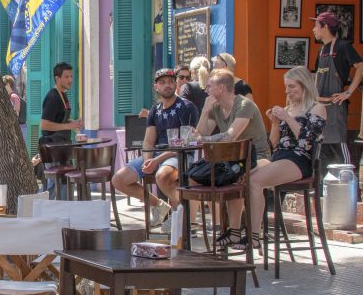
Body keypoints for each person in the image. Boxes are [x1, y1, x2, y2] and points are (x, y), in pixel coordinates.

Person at [239, 66, 327, 252]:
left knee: (255, 181)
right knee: (241, 176)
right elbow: (273, 144)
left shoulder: (317, 108)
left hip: (299, 160)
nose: (288, 91)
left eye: (292, 87)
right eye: (286, 87)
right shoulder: (289, 108)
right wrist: (276, 124)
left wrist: (287, 117)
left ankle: (253, 236)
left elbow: (307, 142)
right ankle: (236, 230)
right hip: (279, 157)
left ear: (304, 86)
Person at [191, 69, 272, 246]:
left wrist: (203, 139)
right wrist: (204, 111)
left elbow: (230, 136)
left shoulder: (244, 105)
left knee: (243, 178)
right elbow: (200, 134)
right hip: (235, 160)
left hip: (259, 157)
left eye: (209, 86)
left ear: (220, 88)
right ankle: (234, 232)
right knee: (227, 178)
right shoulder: (216, 109)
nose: (206, 90)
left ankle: (254, 236)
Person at [111, 68, 200, 228]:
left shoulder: (187, 107)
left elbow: (185, 143)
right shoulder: (155, 110)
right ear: (156, 87)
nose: (168, 85)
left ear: (176, 84)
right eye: (163, 82)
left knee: (162, 176)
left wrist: (156, 160)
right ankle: (159, 206)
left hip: (180, 155)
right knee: (118, 180)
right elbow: (148, 141)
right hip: (157, 155)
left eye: (171, 82)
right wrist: (147, 161)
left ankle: (179, 215)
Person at [311, 11, 363, 171]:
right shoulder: (321, 51)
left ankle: (351, 182)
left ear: (325, 27)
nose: (313, 29)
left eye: (316, 26)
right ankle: (318, 187)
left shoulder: (343, 47)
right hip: (319, 106)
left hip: (335, 107)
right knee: (320, 149)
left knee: (339, 147)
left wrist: (348, 93)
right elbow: (315, 76)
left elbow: (360, 66)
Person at [40, 62, 82, 143]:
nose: (70, 80)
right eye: (66, 77)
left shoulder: (63, 95)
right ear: (57, 79)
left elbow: (59, 118)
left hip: (62, 145)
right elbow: (44, 125)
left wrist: (73, 122)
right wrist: (69, 126)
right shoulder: (53, 97)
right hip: (52, 147)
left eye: (71, 76)